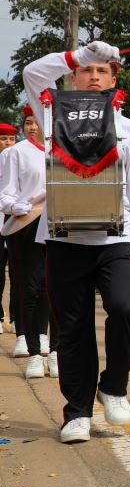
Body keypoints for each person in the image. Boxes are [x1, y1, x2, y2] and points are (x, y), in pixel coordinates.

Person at [23, 41, 130, 443]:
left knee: (125, 310)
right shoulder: (52, 115)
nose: (94, 75)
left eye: (102, 70)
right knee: (72, 328)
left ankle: (114, 385)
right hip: (64, 239)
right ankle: (77, 411)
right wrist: (76, 54)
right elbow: (32, 74)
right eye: (87, 69)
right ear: (74, 76)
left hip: (115, 239)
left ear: (114, 80)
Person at [0, 111, 52, 378]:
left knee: (53, 284)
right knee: (28, 283)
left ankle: (49, 343)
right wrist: (14, 205)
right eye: (29, 123)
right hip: (26, 222)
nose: (33, 127)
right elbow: (4, 193)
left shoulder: (61, 150)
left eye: (38, 122)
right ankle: (27, 340)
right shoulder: (14, 153)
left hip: (57, 222)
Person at [0, 118, 18, 336]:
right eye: (3, 138)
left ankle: (16, 317)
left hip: (15, 222)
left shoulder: (20, 160)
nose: (7, 142)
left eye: (11, 139)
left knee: (19, 273)